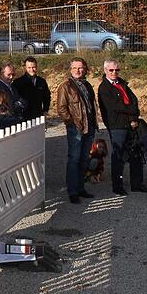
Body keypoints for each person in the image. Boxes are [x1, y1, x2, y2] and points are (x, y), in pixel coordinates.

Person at [97, 60, 147, 196]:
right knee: (119, 155)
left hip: (130, 123)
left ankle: (137, 183)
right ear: (106, 71)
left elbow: (134, 100)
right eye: (111, 70)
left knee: (136, 152)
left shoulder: (122, 83)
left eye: (116, 70)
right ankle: (117, 185)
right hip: (117, 125)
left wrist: (133, 117)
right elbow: (114, 107)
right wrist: (132, 111)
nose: (114, 73)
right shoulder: (104, 87)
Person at [55, 58, 97, 203]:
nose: (78, 71)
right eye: (75, 68)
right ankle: (72, 191)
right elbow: (61, 108)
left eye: (80, 68)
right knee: (74, 159)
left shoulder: (87, 85)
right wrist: (71, 123)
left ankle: (80, 188)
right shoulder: (65, 87)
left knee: (84, 159)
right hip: (76, 128)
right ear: (70, 69)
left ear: (85, 69)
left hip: (89, 126)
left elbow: (91, 106)